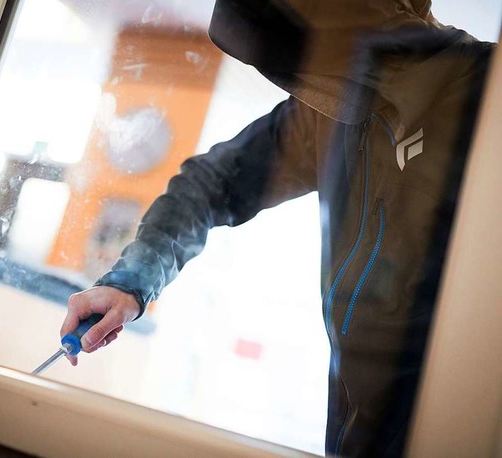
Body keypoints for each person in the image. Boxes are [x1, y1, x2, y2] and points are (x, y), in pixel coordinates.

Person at [59, 1, 495, 456]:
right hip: (352, 431)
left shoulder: (488, 91)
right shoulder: (331, 118)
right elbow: (210, 183)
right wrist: (132, 282)